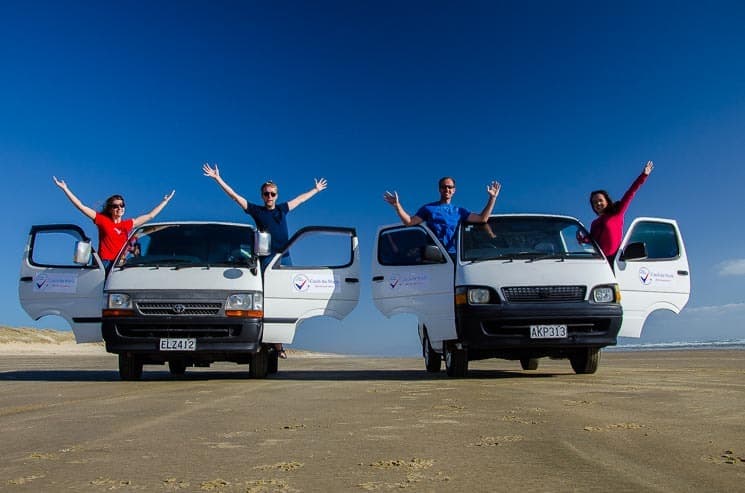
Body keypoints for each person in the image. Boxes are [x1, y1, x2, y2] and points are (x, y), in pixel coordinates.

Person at [202, 163, 328, 359]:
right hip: (267, 259)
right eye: (266, 194)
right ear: (262, 195)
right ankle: (276, 345)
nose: (270, 197)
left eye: (273, 194)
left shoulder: (282, 209)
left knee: (288, 296)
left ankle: (281, 336)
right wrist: (218, 179)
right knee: (268, 299)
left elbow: (300, 200)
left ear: (277, 195)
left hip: (285, 257)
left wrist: (316, 190)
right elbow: (235, 197)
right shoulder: (257, 211)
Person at [53, 177, 175, 269]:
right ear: (110, 208)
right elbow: (81, 206)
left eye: (122, 205)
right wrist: (65, 189)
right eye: (115, 206)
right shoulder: (102, 220)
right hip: (104, 263)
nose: (119, 208)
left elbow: (150, 216)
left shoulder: (127, 224)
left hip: (121, 263)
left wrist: (165, 201)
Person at [383, 177, 501, 259]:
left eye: (450, 187)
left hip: (455, 256)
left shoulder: (459, 211)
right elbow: (409, 222)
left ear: (454, 190)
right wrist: (397, 206)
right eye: (444, 187)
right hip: (434, 257)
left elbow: (482, 219)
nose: (447, 189)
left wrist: (492, 198)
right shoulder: (428, 208)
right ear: (439, 189)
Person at [589, 160, 654, 264]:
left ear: (607, 200)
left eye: (600, 200)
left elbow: (630, 192)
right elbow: (591, 243)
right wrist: (582, 239)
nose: (598, 204)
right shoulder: (594, 224)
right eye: (594, 202)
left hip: (616, 260)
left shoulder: (617, 213)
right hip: (600, 262)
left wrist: (644, 175)